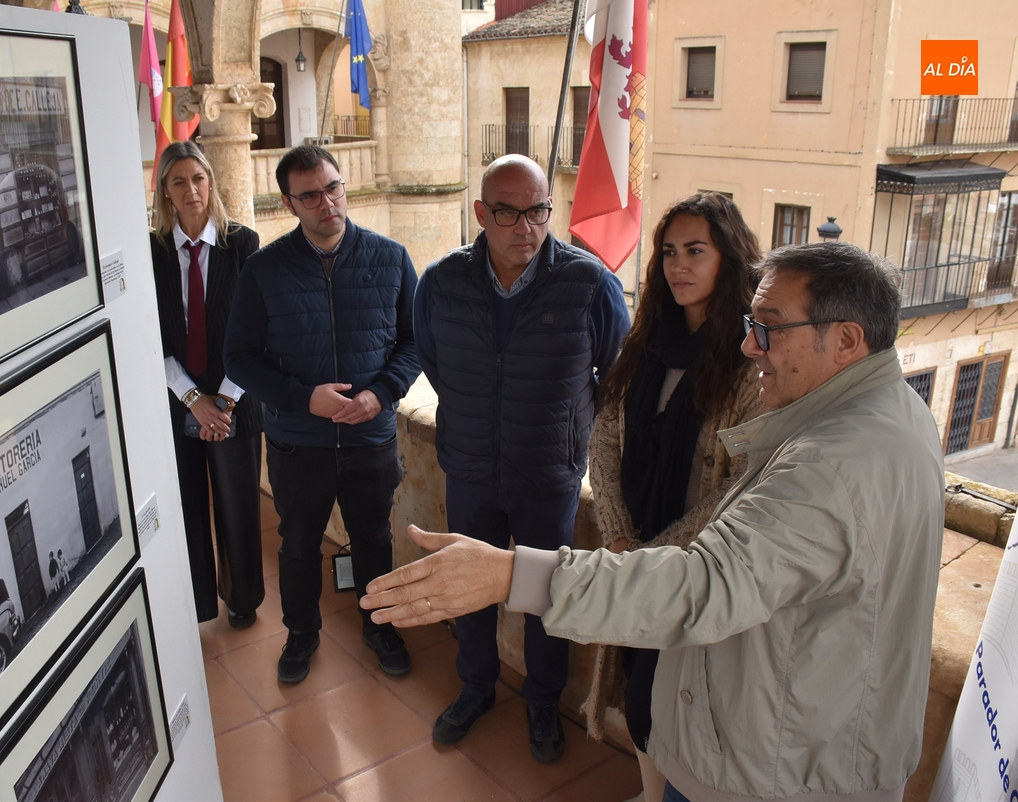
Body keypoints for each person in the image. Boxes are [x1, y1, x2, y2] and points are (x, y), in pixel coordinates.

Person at [363, 242, 944, 802]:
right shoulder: (890, 413)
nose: (750, 346)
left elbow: (705, 585)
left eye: (769, 326)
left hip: (778, 772)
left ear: (845, 339)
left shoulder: (833, 463)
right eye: (750, 323)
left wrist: (510, 576)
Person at [412, 154, 630, 763]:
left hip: (547, 477)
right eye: (507, 213)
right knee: (468, 588)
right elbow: (435, 361)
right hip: (472, 469)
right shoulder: (442, 281)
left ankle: (542, 703)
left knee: (546, 597)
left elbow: (616, 380)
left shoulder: (590, 284)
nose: (524, 227)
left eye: (537, 211)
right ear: (481, 213)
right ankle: (475, 688)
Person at [584, 193, 764, 800]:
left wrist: (653, 556)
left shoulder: (750, 362)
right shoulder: (648, 340)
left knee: (673, 702)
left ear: (729, 258)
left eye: (696, 251)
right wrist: (616, 533)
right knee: (640, 691)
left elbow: (743, 486)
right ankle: (650, 789)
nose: (678, 266)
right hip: (632, 545)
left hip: (695, 565)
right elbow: (605, 432)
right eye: (668, 253)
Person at [224, 144, 421, 684]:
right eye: (309, 195)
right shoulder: (264, 270)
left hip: (370, 439)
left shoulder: (390, 257)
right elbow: (238, 358)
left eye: (332, 188)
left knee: (374, 539)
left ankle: (379, 628)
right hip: (296, 443)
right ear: (290, 204)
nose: (326, 202)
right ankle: (300, 635)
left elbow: (414, 343)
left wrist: (380, 394)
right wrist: (300, 397)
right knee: (298, 544)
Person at [151, 140, 265, 628]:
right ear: (166, 194)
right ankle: (198, 602)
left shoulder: (243, 243)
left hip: (235, 396)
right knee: (187, 505)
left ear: (211, 183)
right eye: (178, 181)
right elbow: (150, 336)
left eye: (198, 178)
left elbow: (255, 330)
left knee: (238, 506)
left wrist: (223, 401)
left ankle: (242, 600)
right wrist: (194, 400)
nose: (191, 189)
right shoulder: (150, 252)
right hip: (177, 398)